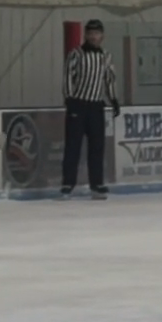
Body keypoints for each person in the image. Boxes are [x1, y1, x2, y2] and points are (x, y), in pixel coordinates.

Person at [61, 20, 120, 199]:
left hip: (96, 106)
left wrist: (114, 99)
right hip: (78, 104)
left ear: (102, 36)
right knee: (73, 146)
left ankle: (97, 184)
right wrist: (70, 99)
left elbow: (109, 79)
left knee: (97, 147)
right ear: (85, 35)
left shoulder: (106, 56)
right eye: (91, 33)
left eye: (97, 33)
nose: (94, 37)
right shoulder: (76, 54)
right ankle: (67, 184)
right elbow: (68, 77)